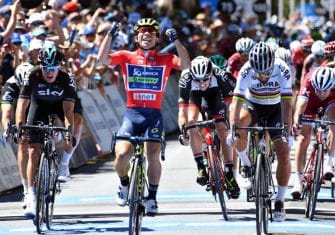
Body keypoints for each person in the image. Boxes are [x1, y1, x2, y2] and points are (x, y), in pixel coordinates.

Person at [97, 18, 190, 216]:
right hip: (132, 114)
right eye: (142, 31)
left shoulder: (165, 59)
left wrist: (178, 42)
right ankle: (124, 185)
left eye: (151, 32)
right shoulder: (126, 56)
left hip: (154, 115)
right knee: (121, 154)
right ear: (136, 36)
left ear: (157, 38)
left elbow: (186, 65)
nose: (146, 34)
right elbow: (102, 60)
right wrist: (110, 35)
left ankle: (152, 198)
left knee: (153, 155)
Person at [227, 41, 292, 222]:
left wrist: (287, 130)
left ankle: (279, 199)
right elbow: (236, 102)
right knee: (240, 122)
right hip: (253, 105)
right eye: (259, 73)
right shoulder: (246, 70)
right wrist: (233, 129)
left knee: (284, 152)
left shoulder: (282, 68)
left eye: (266, 73)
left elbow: (287, 103)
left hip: (276, 109)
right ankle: (246, 164)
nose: (263, 77)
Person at [15, 42, 76, 217]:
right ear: (40, 66)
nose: (49, 71)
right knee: (33, 150)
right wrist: (20, 125)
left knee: (68, 132)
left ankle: (61, 165)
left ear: (59, 66)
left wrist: (67, 130)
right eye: (46, 67)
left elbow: (68, 110)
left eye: (53, 67)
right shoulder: (32, 75)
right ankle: (31, 196)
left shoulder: (66, 79)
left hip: (59, 106)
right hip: (38, 107)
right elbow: (22, 103)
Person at [178, 56, 240, 199]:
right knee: (192, 123)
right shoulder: (186, 79)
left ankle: (229, 171)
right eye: (197, 80)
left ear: (211, 73)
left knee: (222, 128)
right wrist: (183, 131)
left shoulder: (220, 75)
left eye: (205, 79)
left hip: (216, 97)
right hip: (195, 98)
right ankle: (200, 166)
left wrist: (231, 125)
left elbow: (230, 104)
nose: (202, 83)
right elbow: (182, 111)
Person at [291, 67, 335, 199]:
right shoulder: (309, 83)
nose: (321, 93)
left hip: (331, 101)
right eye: (319, 90)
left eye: (324, 90)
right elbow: (299, 107)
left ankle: (329, 162)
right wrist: (296, 123)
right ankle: (298, 179)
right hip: (310, 102)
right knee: (303, 138)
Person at [1, 62, 34, 208]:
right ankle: (27, 189)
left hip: (36, 107)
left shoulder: (39, 81)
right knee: (23, 142)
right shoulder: (10, 85)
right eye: (20, 86)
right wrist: (7, 129)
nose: (23, 89)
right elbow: (6, 113)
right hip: (18, 108)